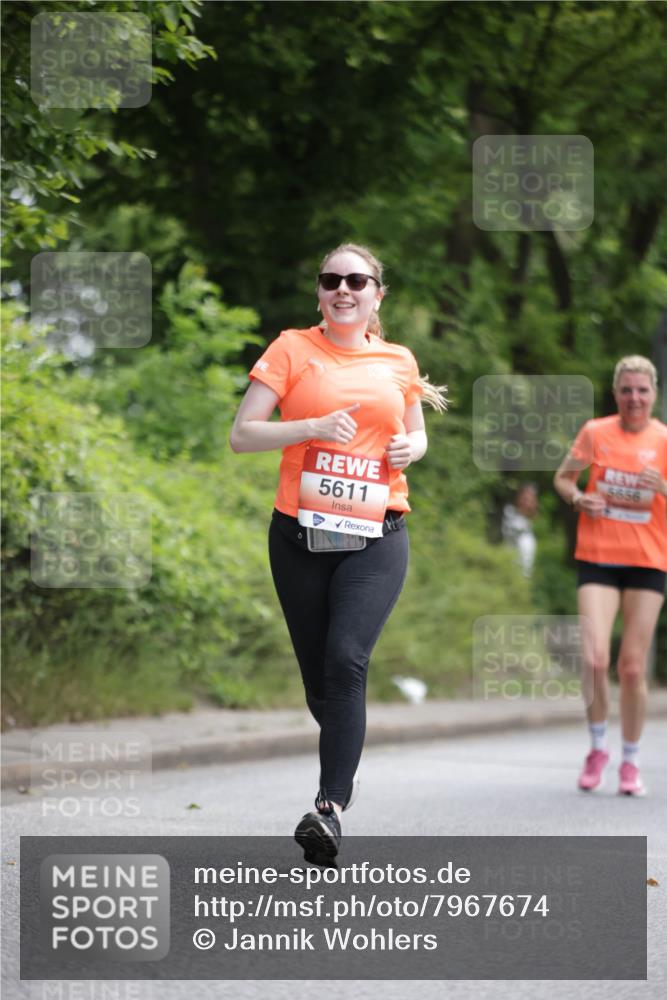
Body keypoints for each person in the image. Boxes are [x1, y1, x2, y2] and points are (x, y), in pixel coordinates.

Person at [230, 243, 446, 863]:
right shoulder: (291, 349)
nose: (343, 289)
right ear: (320, 292)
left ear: (378, 293)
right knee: (321, 683)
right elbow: (242, 434)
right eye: (331, 280)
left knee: (347, 659)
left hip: (377, 534)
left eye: (357, 280)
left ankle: (328, 809)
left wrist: (414, 451)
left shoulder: (398, 359)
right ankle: (341, 749)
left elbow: (416, 431)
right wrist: (310, 428)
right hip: (299, 536)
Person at [553, 355, 667, 796]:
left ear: (654, 394)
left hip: (648, 560)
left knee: (633, 668)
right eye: (627, 390)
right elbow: (563, 479)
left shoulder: (663, 439)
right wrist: (579, 498)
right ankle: (598, 747)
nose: (634, 398)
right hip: (599, 556)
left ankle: (631, 761)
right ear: (616, 393)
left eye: (642, 390)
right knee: (597, 658)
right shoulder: (596, 432)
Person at [501, 483, 539, 577]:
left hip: (525, 545)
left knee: (524, 571)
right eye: (525, 497)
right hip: (510, 546)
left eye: (530, 498)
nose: (527, 500)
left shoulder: (530, 516)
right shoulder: (509, 511)